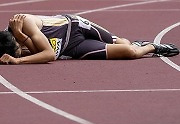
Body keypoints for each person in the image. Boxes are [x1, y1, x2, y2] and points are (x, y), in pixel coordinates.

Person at [0, 14, 179, 64]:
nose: (21, 48)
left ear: (15, 38)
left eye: (19, 45)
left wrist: (18, 60)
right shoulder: (8, 42)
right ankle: (150, 47)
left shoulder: (25, 22)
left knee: (123, 42)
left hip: (76, 26)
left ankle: (123, 40)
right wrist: (22, 43)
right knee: (130, 51)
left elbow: (48, 54)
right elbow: (43, 53)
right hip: (72, 48)